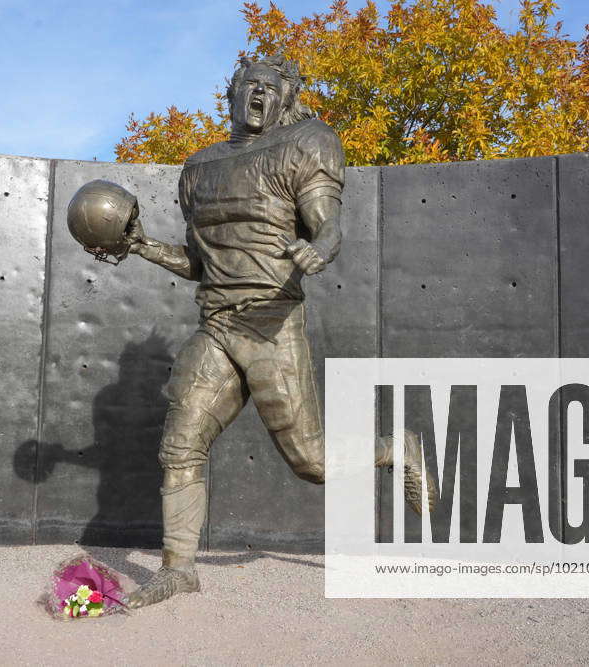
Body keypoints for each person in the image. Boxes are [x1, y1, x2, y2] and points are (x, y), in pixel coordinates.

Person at [123, 54, 423, 609]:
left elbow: (328, 223)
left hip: (270, 320)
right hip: (217, 323)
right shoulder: (199, 168)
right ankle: (178, 568)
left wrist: (320, 248)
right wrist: (143, 247)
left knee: (310, 462)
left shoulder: (307, 142)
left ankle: (393, 449)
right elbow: (200, 261)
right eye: (250, 85)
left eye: (269, 87)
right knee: (180, 443)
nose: (258, 95)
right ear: (232, 93)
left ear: (285, 98)